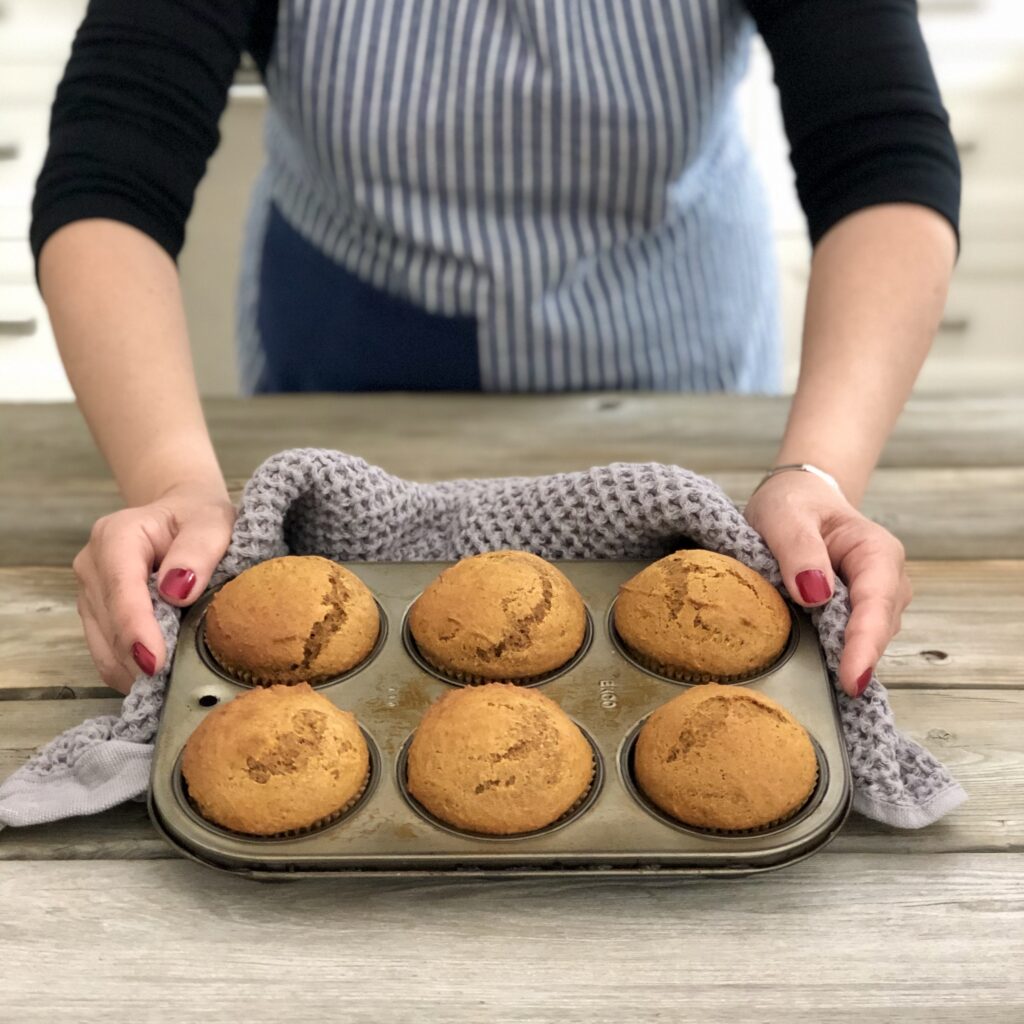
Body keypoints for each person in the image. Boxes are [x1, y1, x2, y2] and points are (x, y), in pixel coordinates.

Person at [33, 0, 959, 699]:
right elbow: (112, 163)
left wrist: (818, 471)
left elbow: (880, 151)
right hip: (353, 343)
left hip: (672, 360)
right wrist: (173, 482)